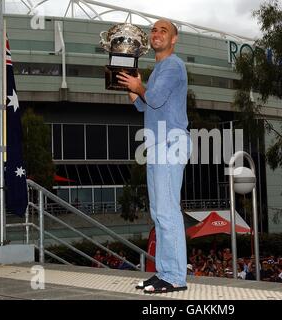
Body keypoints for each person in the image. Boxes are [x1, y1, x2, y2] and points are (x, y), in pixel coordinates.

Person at [118, 19, 190, 294]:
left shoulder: (173, 65)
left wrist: (139, 88)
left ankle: (174, 277)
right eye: (154, 30)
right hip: (158, 144)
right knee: (159, 212)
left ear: (173, 40)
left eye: (164, 31)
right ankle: (163, 272)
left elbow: (155, 99)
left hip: (170, 142)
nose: (156, 33)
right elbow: (146, 106)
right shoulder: (158, 69)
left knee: (167, 211)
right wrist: (133, 90)